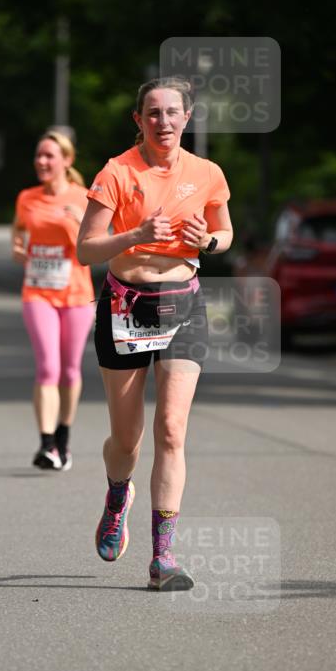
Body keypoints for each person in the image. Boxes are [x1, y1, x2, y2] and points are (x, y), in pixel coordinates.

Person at [77, 77, 233, 591]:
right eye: (153, 113)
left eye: (172, 112)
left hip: (184, 305)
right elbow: (86, 248)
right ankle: (117, 492)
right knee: (127, 438)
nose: (163, 121)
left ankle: (163, 556)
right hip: (126, 306)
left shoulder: (206, 173)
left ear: (187, 117)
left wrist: (208, 241)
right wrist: (136, 235)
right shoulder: (117, 172)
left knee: (171, 430)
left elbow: (225, 232)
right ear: (138, 120)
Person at [12, 130, 94, 471]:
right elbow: (19, 236)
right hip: (38, 292)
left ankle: (63, 436)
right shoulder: (27, 198)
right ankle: (46, 444)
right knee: (48, 366)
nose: (42, 162)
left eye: (49, 156)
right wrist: (19, 250)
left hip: (76, 293)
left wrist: (79, 223)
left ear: (66, 160)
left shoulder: (85, 197)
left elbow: (96, 246)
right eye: (38, 155)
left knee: (70, 369)